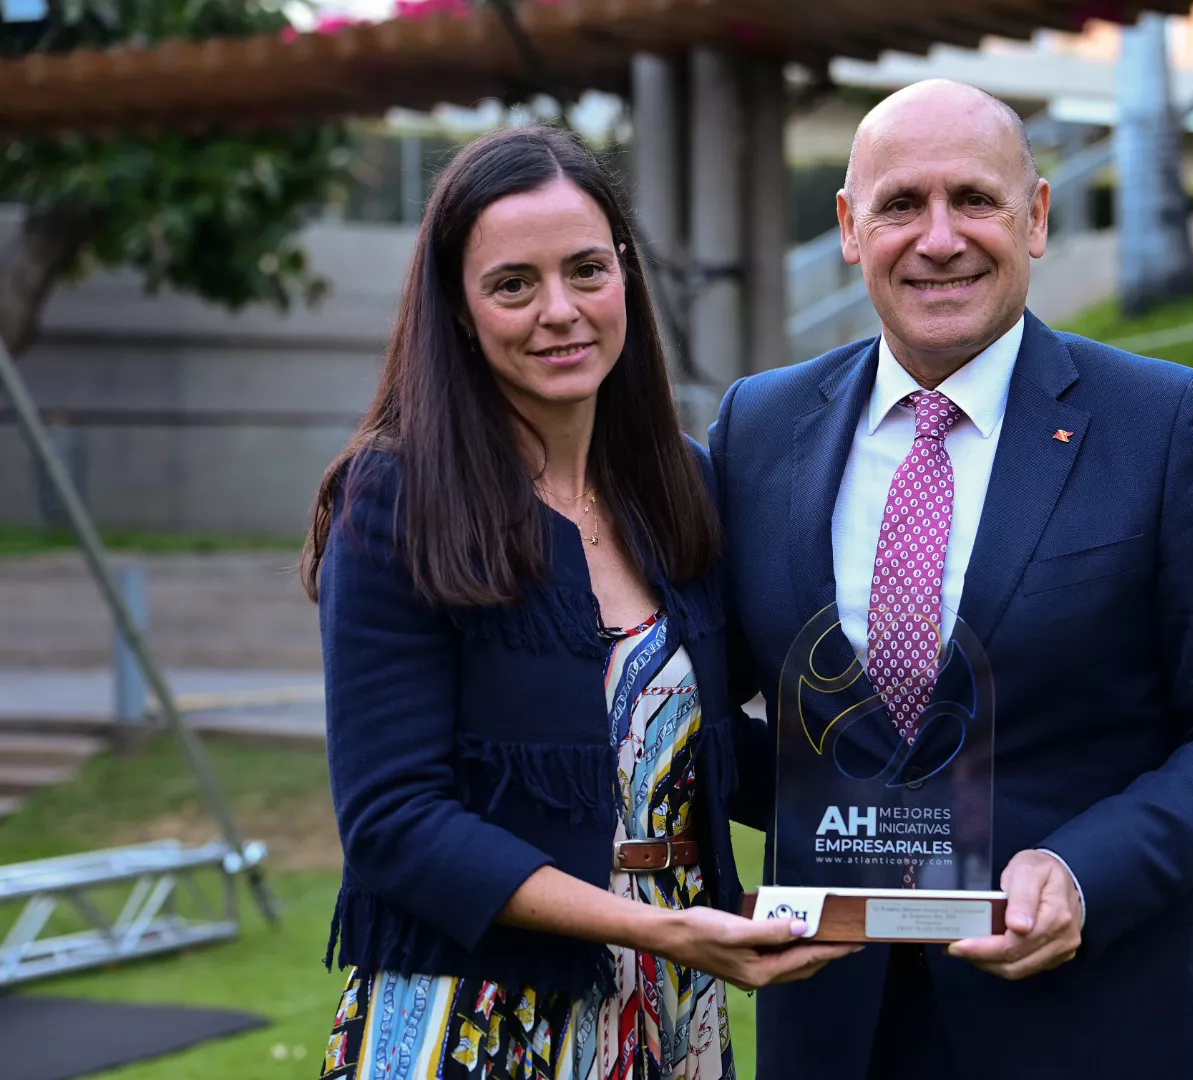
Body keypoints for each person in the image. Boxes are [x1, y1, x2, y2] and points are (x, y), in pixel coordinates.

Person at [711, 80, 1193, 1079]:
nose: (940, 238)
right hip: (832, 1024)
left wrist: (1086, 870)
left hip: (1087, 1022)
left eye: (974, 200)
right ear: (851, 228)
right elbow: (699, 704)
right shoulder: (757, 429)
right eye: (902, 205)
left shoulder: (1163, 425)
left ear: (1034, 216)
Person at [301, 125, 856, 1080]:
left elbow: (708, 745)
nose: (560, 311)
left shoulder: (679, 485)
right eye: (514, 284)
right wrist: (657, 929)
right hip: (477, 1014)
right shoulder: (396, 498)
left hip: (673, 1003)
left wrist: (934, 815)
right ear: (459, 309)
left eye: (587, 270)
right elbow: (394, 821)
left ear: (626, 276)